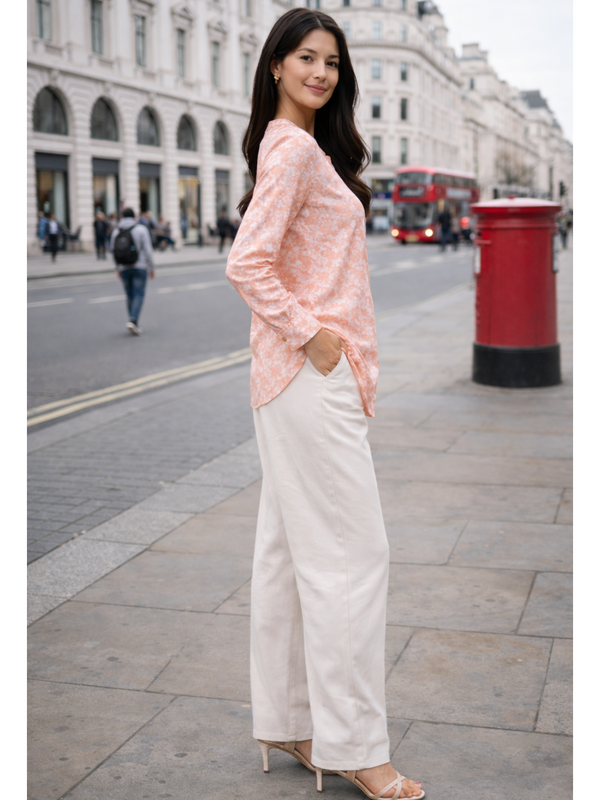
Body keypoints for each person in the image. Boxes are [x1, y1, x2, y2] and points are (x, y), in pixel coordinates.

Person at [226, 9, 424, 800]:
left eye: (332, 62)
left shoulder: (299, 148)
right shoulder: (294, 148)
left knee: (287, 553)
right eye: (305, 57)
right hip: (310, 378)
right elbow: (248, 261)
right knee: (353, 558)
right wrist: (316, 337)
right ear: (275, 64)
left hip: (288, 382)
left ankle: (294, 723)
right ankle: (356, 747)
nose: (321, 72)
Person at [110, 208, 155, 335]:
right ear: (135, 217)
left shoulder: (116, 231)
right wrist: (152, 267)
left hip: (124, 267)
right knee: (138, 294)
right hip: (139, 266)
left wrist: (117, 268)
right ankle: (133, 320)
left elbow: (113, 251)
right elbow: (148, 250)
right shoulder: (141, 229)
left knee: (129, 295)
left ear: (122, 217)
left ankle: (132, 320)